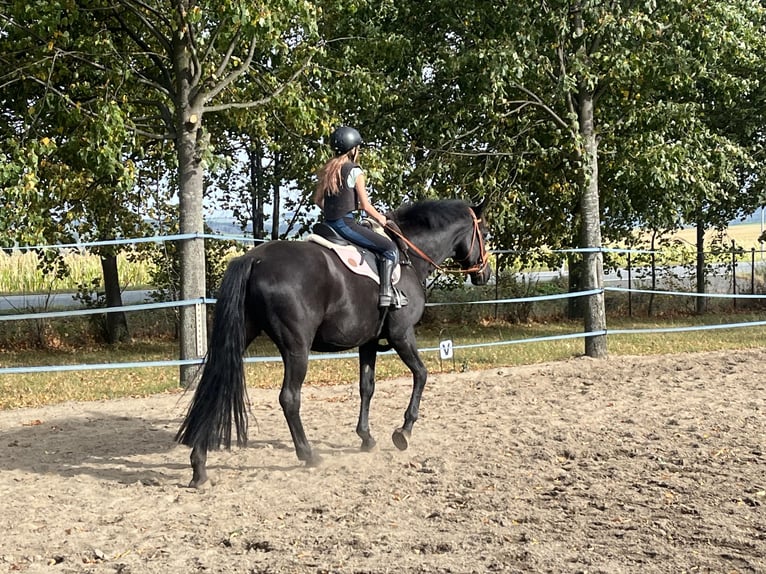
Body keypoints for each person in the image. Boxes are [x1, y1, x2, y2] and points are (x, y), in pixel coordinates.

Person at [314, 126, 407, 308]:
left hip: (328, 225)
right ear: (353, 149)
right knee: (389, 248)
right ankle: (386, 293)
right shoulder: (355, 171)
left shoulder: (328, 170)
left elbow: (318, 201)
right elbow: (365, 206)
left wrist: (336, 208)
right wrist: (380, 218)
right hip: (346, 225)